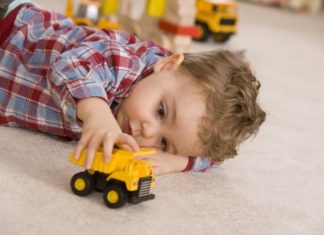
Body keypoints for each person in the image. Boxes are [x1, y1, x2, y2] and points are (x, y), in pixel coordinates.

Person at [0, 1, 266, 175]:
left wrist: (176, 161)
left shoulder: (186, 117)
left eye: (164, 142)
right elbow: (72, 65)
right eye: (161, 111)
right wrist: (97, 114)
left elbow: (214, 154)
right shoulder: (124, 62)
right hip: (11, 30)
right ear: (168, 64)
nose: (147, 132)